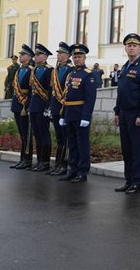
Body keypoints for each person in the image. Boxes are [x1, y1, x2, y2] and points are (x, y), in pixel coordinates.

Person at [113, 33, 140, 194]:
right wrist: (117, 112)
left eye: (134, 45)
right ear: (125, 48)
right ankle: (128, 180)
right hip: (123, 114)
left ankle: (137, 182)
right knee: (126, 149)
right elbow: (121, 92)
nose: (131, 48)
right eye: (129, 45)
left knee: (137, 149)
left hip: (135, 115)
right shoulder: (125, 68)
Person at [58, 44, 97, 183]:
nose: (77, 59)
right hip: (69, 113)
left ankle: (82, 171)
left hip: (81, 114)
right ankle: (72, 169)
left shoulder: (88, 75)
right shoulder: (71, 74)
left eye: (79, 57)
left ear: (85, 58)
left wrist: (86, 116)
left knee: (82, 144)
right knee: (72, 144)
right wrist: (63, 115)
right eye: (75, 57)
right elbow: (66, 96)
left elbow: (90, 98)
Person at [26, 44, 54, 172]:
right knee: (36, 134)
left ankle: (45, 161)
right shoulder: (34, 70)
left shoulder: (49, 70)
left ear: (45, 56)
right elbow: (31, 90)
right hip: (34, 106)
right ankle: (39, 161)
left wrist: (48, 107)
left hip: (43, 106)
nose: (36, 57)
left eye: (38, 54)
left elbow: (51, 90)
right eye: (35, 54)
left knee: (44, 134)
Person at [48, 42, 72, 176]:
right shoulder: (56, 70)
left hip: (64, 107)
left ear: (67, 55)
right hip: (56, 107)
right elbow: (52, 90)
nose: (58, 55)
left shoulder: (70, 69)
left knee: (65, 137)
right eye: (58, 53)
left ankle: (64, 164)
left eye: (61, 53)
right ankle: (57, 164)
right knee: (59, 137)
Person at [10, 45, 34, 170]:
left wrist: (27, 103)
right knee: (22, 134)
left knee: (26, 133)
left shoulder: (31, 70)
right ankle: (22, 159)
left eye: (22, 55)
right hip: (17, 104)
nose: (20, 57)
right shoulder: (19, 70)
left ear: (29, 57)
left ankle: (27, 159)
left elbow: (31, 90)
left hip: (24, 104)